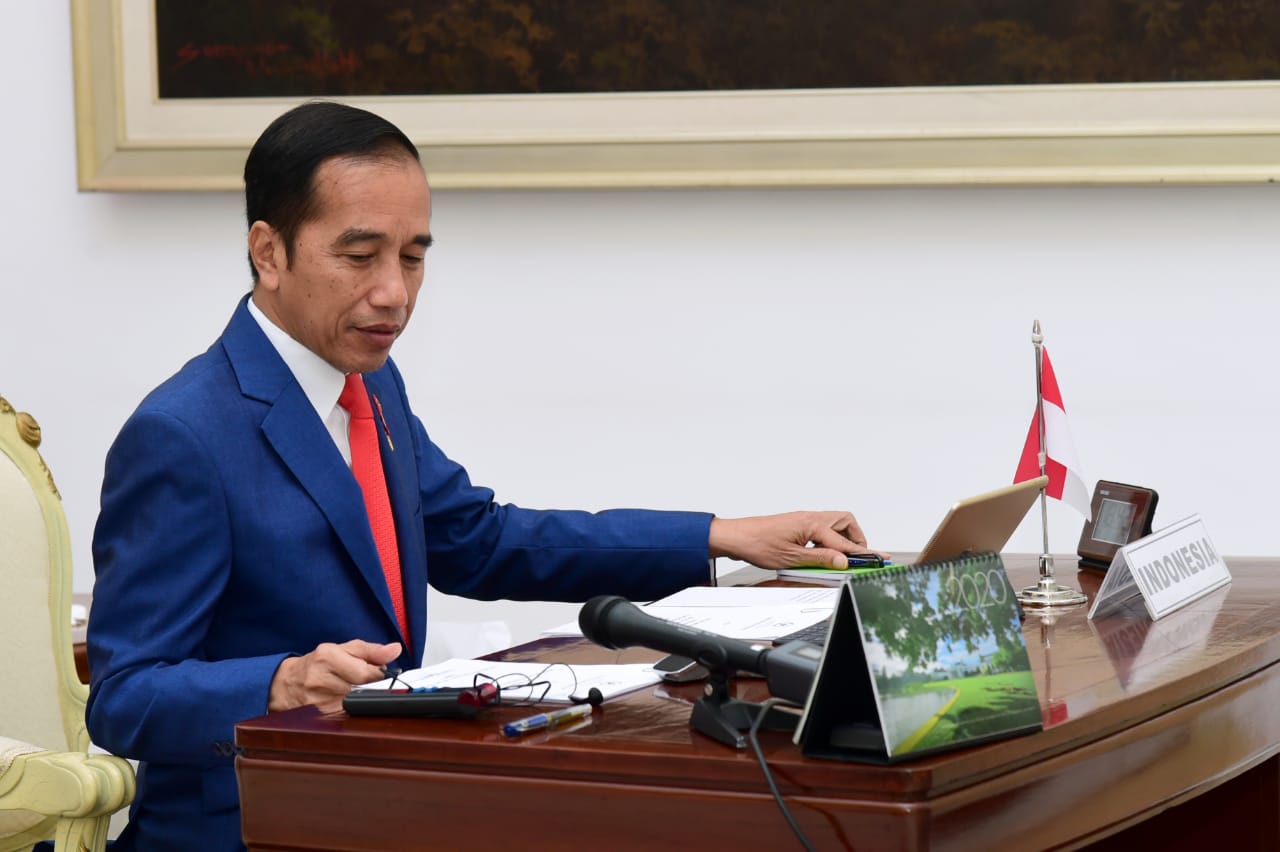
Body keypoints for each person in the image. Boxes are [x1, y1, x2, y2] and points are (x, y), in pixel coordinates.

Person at [85, 101, 877, 851]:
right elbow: (124, 697)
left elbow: (478, 539)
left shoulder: (367, 381)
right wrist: (281, 684)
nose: (393, 292)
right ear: (269, 250)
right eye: (360, 256)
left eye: (413, 257)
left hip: (379, 804)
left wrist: (718, 536)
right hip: (247, 825)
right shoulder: (183, 434)